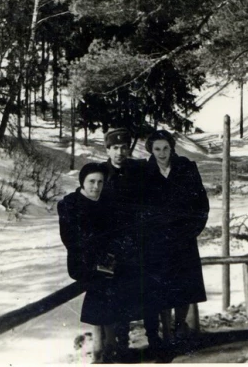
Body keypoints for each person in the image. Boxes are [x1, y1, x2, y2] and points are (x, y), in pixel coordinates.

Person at [143, 130, 210, 346]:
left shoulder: (186, 169)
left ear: (172, 148)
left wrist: (192, 231)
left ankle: (180, 325)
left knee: (184, 285)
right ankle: (166, 332)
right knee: (162, 287)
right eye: (157, 149)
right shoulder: (145, 173)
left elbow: (201, 204)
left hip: (183, 239)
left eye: (165, 148)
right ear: (151, 151)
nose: (162, 153)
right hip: (158, 241)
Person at [57, 163, 121, 362]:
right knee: (102, 284)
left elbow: (115, 235)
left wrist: (111, 256)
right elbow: (71, 240)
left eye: (100, 182)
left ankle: (110, 345)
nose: (96, 186)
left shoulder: (107, 203)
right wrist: (97, 260)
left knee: (116, 282)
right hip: (82, 261)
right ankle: (105, 347)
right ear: (82, 182)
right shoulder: (70, 204)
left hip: (106, 261)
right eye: (91, 181)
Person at [98, 128, 147, 358]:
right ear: (107, 150)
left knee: (128, 293)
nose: (119, 152)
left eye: (123, 147)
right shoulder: (99, 173)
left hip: (132, 245)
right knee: (107, 293)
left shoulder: (137, 172)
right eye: (115, 148)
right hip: (108, 246)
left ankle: (124, 342)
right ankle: (109, 345)